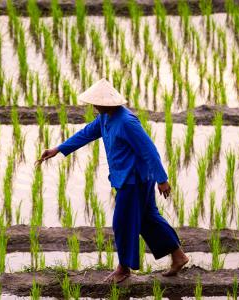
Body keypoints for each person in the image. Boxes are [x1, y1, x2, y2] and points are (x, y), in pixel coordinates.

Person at [36, 79, 189, 283]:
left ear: (106, 103)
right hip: (130, 179)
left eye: (95, 102)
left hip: (134, 181)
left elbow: (149, 150)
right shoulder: (105, 118)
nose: (93, 106)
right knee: (148, 219)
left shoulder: (127, 122)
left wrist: (162, 179)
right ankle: (179, 257)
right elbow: (86, 134)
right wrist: (58, 149)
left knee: (122, 223)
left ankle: (124, 268)